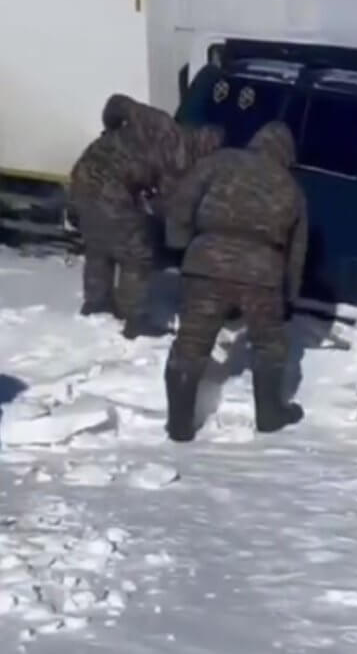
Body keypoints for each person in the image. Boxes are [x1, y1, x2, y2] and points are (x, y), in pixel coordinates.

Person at [161, 121, 308, 442]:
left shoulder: (219, 161)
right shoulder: (291, 187)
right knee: (270, 345)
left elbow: (182, 201)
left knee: (191, 343)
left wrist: (179, 242)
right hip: (262, 275)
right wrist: (289, 298)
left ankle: (179, 425)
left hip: (207, 264)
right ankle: (270, 414)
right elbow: (297, 252)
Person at [67, 93, 224, 338]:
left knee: (99, 242)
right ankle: (135, 319)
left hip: (83, 172)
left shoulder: (160, 121)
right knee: (137, 254)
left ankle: (96, 302)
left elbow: (116, 103)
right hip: (111, 188)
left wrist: (112, 132)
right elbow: (168, 208)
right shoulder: (181, 163)